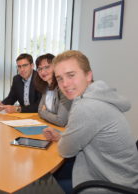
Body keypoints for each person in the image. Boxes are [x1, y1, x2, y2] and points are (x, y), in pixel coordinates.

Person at [43, 50, 138, 193]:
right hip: (121, 176)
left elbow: (65, 150)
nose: (65, 84)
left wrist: (64, 139)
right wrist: (62, 137)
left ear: (88, 75)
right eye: (60, 78)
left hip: (111, 186)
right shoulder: (98, 94)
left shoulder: (86, 106)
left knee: (44, 180)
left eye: (71, 75)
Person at [35, 53, 71, 127]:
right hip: (51, 127)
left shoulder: (64, 88)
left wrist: (44, 112)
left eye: (47, 67)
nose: (42, 72)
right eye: (40, 69)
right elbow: (39, 110)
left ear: (56, 67)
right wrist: (45, 113)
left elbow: (61, 121)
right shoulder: (46, 87)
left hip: (66, 132)